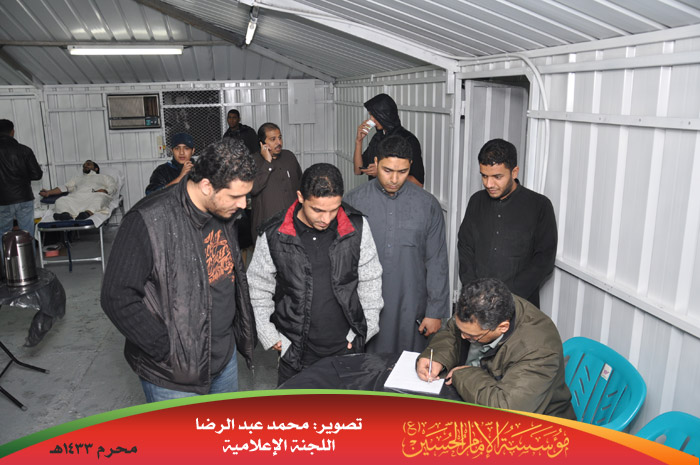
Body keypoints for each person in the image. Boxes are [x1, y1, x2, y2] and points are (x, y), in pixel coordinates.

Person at [101, 138, 257, 402]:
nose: (243, 204)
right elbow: (116, 296)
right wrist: (166, 349)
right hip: (174, 374)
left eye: (246, 196)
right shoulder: (148, 219)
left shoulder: (225, 212)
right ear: (206, 186)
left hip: (224, 358)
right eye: (235, 196)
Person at [247, 163, 383, 385]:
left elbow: (371, 278)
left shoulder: (357, 226)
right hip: (295, 354)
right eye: (318, 210)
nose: (326, 219)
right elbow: (258, 286)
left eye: (334, 209)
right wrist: (269, 334)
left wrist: (365, 329)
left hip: (347, 349)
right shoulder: (274, 233)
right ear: (300, 197)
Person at [344, 135, 449, 353]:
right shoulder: (353, 202)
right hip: (365, 304)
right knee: (366, 365)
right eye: (387, 170)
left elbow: (437, 260)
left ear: (410, 165)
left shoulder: (427, 205)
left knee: (409, 364)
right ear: (376, 162)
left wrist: (435, 311)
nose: (394, 179)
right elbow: (341, 261)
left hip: (412, 303)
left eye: (402, 172)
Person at [416, 278, 576, 419]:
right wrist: (438, 357)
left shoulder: (539, 350)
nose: (463, 337)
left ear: (502, 327)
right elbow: (452, 331)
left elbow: (506, 408)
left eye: (472, 336)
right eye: (461, 330)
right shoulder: (485, 305)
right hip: (481, 396)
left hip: (540, 427)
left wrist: (463, 375)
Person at [457, 138, 557, 307]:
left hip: (519, 305)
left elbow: (543, 260)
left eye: (497, 177)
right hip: (477, 302)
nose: (489, 184)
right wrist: (474, 292)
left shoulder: (539, 206)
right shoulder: (476, 201)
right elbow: (465, 247)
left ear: (514, 172)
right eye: (484, 176)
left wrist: (505, 298)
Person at [354, 93, 424, 187]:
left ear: (385, 115)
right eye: (370, 115)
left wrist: (381, 172)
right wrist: (358, 141)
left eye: (374, 116)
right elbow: (358, 170)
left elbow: (418, 183)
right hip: (377, 194)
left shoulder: (409, 140)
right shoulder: (378, 138)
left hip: (399, 195)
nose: (371, 120)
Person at [249, 122, 302, 239]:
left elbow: (301, 184)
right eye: (273, 139)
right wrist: (267, 163)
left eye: (280, 138)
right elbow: (254, 189)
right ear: (262, 143)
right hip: (267, 228)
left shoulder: (289, 156)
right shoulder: (253, 161)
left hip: (292, 225)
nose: (279, 142)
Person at [0, 119, 43, 237]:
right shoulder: (24, 150)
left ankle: (5, 250)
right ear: (12, 132)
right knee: (27, 233)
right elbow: (37, 175)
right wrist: (22, 176)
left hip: (2, 200)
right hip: (24, 197)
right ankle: (27, 250)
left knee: (2, 234)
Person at [39, 160, 117, 220]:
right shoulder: (78, 178)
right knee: (60, 201)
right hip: (77, 197)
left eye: (88, 164)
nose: (85, 166)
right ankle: (65, 215)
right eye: (84, 166)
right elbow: (65, 187)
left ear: (96, 168)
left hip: (94, 195)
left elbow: (113, 186)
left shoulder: (104, 177)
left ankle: (87, 213)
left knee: (99, 199)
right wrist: (48, 193)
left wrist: (106, 191)